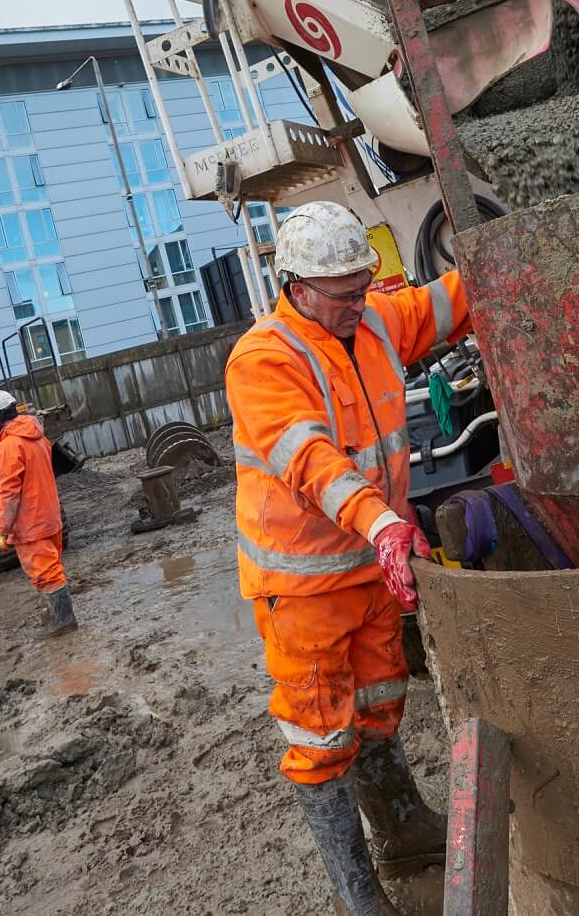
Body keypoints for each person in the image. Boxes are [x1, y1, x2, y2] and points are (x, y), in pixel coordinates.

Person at [224, 201, 471, 916]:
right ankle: (357, 893)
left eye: (364, 286)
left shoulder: (371, 323)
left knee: (378, 707)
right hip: (303, 589)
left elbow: (438, 305)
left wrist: (496, 263)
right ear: (298, 287)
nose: (360, 302)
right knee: (319, 736)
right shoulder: (265, 358)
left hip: (370, 568)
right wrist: (384, 523)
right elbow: (311, 459)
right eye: (345, 294)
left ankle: (398, 826)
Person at [0, 390, 75, 636]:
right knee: (52, 566)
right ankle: (55, 614)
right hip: (49, 515)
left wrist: (2, 530)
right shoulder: (36, 435)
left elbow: (8, 494)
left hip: (30, 523)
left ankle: (63, 621)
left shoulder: (9, 446)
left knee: (46, 573)